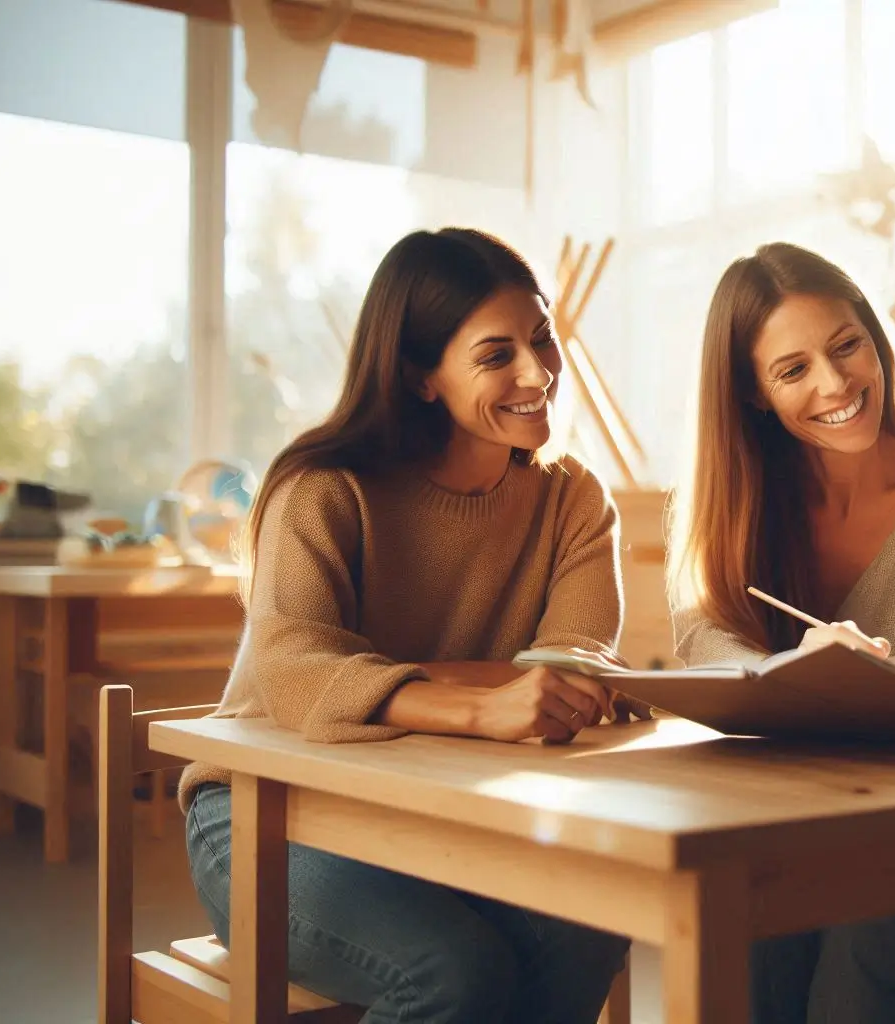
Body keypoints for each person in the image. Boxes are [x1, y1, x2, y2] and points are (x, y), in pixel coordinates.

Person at [178, 228, 636, 1024]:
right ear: (423, 377)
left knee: (590, 924)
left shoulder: (574, 500)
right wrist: (481, 703)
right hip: (263, 814)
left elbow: (574, 671)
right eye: (497, 356)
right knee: (452, 973)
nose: (538, 373)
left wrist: (396, 684)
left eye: (542, 340)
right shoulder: (324, 488)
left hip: (445, 811)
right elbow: (293, 672)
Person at [669, 241, 895, 1022]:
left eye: (846, 346)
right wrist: (803, 667)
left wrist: (821, 682)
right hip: (789, 816)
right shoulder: (731, 493)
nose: (835, 385)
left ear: (873, 335)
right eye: (792, 371)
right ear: (753, 393)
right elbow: (702, 639)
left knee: (854, 981)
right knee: (751, 955)